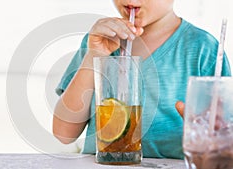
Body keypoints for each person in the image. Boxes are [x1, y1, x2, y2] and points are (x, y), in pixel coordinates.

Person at [52, 0, 231, 159]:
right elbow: (63, 133)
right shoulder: (99, 41)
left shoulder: (204, 50)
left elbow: (223, 139)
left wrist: (203, 129)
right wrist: (94, 56)